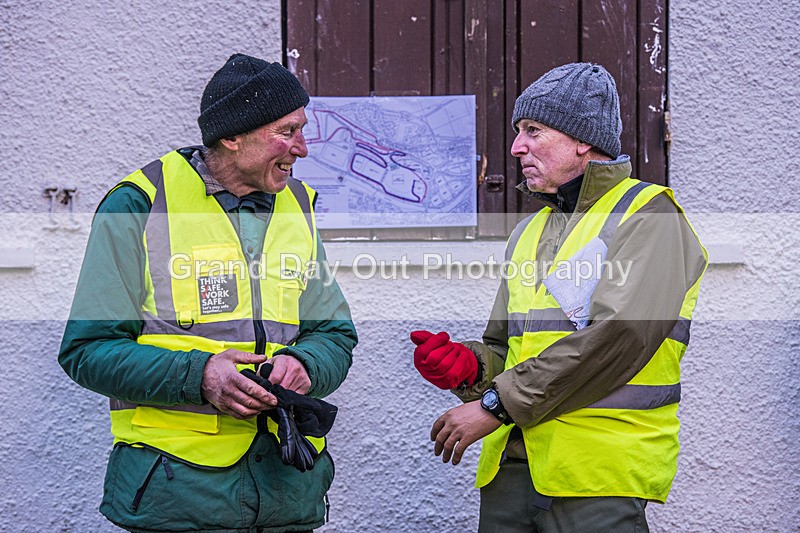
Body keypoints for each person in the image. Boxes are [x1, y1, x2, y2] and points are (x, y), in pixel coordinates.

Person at [59, 53, 357, 533]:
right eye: (287, 131)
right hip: (179, 498)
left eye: (302, 130)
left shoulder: (297, 204)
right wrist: (200, 376)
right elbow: (87, 350)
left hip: (287, 494)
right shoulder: (139, 203)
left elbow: (334, 334)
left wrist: (305, 365)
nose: (301, 149)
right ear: (232, 136)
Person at [410, 63, 707, 532]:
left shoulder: (649, 214)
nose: (516, 147)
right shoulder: (528, 232)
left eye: (533, 130)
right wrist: (470, 367)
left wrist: (494, 406)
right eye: (518, 132)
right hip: (512, 471)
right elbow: (509, 348)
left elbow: (618, 339)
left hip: (597, 477)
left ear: (582, 140)